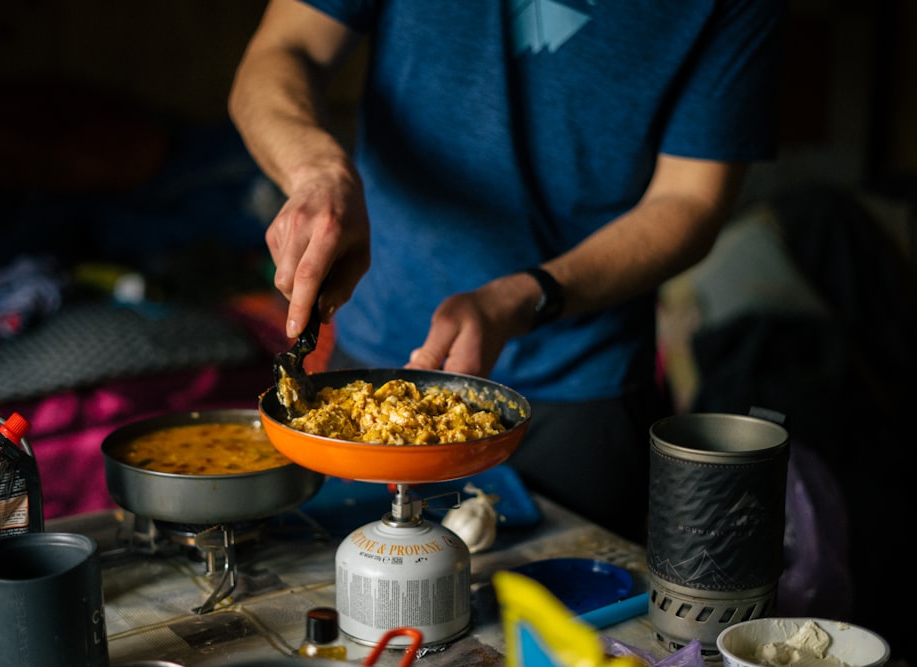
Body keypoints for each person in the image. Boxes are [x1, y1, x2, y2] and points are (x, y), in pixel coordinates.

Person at [229, 0, 785, 543]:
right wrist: (318, 173)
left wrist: (527, 295)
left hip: (581, 385)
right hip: (375, 364)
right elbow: (282, 49)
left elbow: (691, 200)